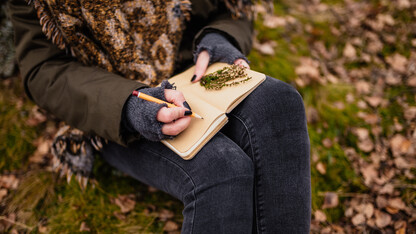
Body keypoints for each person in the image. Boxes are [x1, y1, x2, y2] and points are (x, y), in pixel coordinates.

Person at [8, 0, 311, 233]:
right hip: (113, 102)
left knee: (280, 103)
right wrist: (128, 107)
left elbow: (232, 9)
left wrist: (220, 36)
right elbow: (43, 68)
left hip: (194, 71)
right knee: (222, 168)